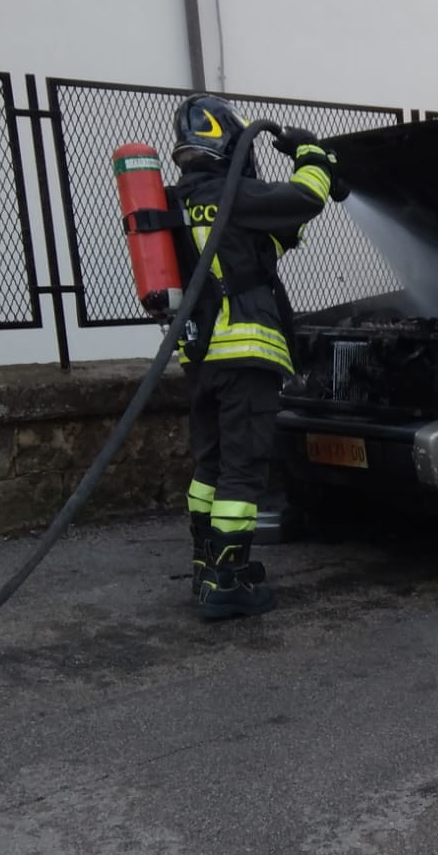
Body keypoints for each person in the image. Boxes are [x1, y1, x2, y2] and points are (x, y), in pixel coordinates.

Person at [169, 95, 342, 619]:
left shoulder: (180, 203)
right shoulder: (235, 193)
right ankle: (228, 582)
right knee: (243, 473)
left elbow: (265, 246)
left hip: (201, 358)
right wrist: (313, 154)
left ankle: (209, 568)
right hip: (245, 353)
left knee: (210, 466)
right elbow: (306, 198)